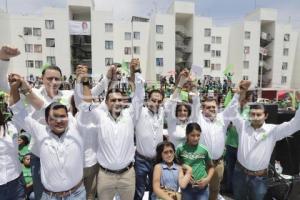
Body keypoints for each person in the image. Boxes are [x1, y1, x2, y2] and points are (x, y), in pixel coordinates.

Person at [75, 58, 144, 200]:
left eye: (120, 100)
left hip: (128, 176)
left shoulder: (130, 115)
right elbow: (85, 105)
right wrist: (84, 81)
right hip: (105, 176)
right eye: (113, 100)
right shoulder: (100, 116)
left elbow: (139, 95)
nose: (117, 102)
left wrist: (136, 72)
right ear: (106, 103)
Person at [9, 74, 86, 200]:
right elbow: (18, 112)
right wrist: (14, 88)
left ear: (68, 117)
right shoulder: (40, 132)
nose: (59, 121)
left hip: (77, 195)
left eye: (62, 116)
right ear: (46, 120)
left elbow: (85, 106)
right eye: (53, 117)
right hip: (49, 197)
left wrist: (83, 81)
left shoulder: (77, 129)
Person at [225, 84, 300, 200]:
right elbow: (231, 112)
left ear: (266, 116)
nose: (255, 117)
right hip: (240, 174)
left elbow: (295, 125)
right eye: (252, 114)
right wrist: (238, 93)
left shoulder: (273, 130)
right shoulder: (243, 126)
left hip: (260, 178)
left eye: (259, 114)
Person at [176, 122, 215, 200]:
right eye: (192, 135)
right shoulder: (180, 148)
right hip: (187, 188)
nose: (196, 138)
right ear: (187, 135)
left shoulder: (204, 149)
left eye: (198, 135)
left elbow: (211, 167)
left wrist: (207, 179)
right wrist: (184, 175)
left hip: (202, 188)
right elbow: (176, 165)